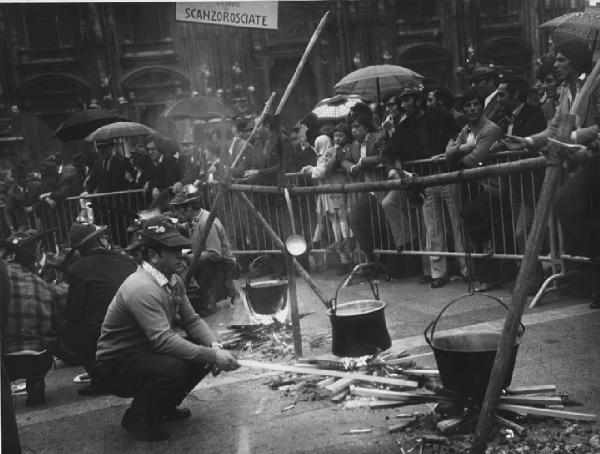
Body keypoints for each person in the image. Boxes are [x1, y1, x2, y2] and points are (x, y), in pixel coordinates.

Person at [95, 216, 240, 441]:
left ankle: (163, 407)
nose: (181, 256)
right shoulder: (142, 287)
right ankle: (137, 418)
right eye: (173, 251)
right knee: (172, 368)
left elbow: (192, 320)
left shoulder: (172, 280)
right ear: (153, 255)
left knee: (199, 355)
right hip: (117, 364)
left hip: (143, 354)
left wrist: (214, 346)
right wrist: (213, 354)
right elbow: (162, 340)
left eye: (180, 249)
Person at [60, 222, 137, 395]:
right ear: (101, 241)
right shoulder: (127, 260)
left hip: (107, 331)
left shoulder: (77, 269)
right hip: (138, 323)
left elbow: (74, 312)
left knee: (69, 329)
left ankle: (100, 378)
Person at [446, 88, 505, 292]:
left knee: (481, 227)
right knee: (478, 231)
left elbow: (475, 159)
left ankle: (492, 277)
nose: (472, 109)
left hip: (491, 187)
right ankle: (486, 277)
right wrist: (462, 150)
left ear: (482, 106)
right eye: (467, 105)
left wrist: (458, 156)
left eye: (475, 104)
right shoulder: (466, 131)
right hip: (473, 187)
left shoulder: (490, 129)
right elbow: (448, 153)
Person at [2, 229, 67, 406]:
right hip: (36, 357)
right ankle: (36, 382)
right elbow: (61, 305)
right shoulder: (40, 284)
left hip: (4, 360)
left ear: (8, 256)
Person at [302, 125, 354, 274]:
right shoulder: (329, 153)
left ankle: (349, 257)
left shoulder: (334, 152)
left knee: (343, 221)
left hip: (337, 188)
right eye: (335, 136)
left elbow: (322, 171)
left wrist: (312, 169)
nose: (337, 139)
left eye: (340, 135)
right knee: (335, 223)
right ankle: (344, 259)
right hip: (329, 191)